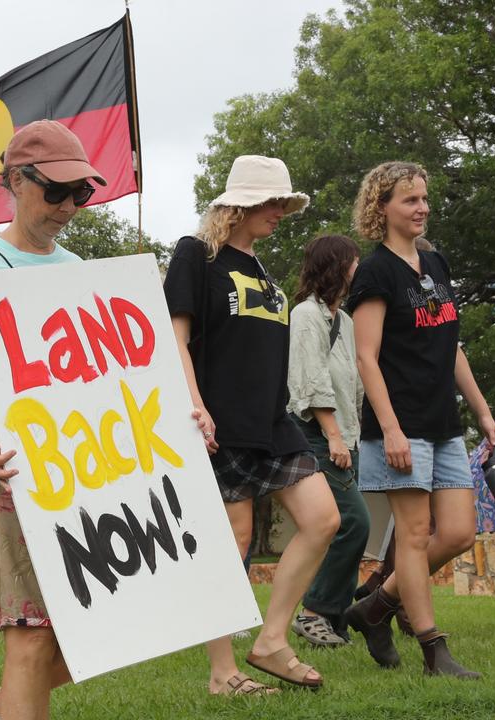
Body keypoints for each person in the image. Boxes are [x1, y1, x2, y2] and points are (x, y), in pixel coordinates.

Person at [0, 120, 105, 720]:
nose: (67, 207)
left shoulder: (80, 268)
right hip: (9, 481)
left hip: (84, 473)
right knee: (31, 636)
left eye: (79, 193)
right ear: (14, 180)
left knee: (94, 631)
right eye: (54, 191)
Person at [164, 154, 339, 694]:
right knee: (232, 538)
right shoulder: (198, 254)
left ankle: (270, 641)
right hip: (218, 415)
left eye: (283, 203)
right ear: (238, 204)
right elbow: (174, 337)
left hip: (270, 416)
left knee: (323, 519)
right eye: (270, 202)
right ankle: (222, 673)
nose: (280, 212)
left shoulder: (260, 265)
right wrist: (196, 404)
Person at [343, 161, 495, 678]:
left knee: (457, 532)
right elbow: (365, 356)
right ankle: (434, 649)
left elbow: (450, 345)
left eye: (424, 198)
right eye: (410, 199)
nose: (422, 208)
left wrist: (481, 410)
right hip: (400, 423)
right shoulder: (374, 272)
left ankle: (373, 607)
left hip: (443, 422)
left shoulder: (435, 265)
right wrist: (389, 428)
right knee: (413, 535)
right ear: (382, 207)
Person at [286, 234, 370, 648]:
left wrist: (352, 435)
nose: (359, 268)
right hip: (317, 435)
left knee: (346, 528)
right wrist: (334, 436)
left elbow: (351, 382)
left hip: (344, 435)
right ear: (337, 265)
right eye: (354, 261)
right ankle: (314, 611)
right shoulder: (305, 315)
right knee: (354, 522)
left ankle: (333, 618)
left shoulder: (346, 320)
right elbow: (310, 380)